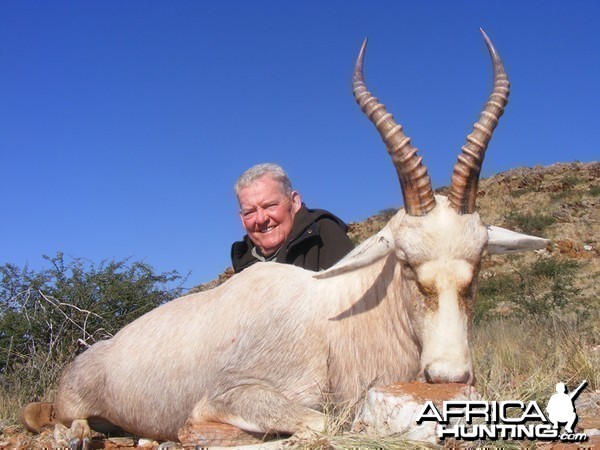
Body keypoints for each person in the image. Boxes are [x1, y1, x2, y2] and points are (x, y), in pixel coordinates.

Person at [231, 163, 354, 273]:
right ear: (242, 219)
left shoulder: (322, 233)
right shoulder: (242, 260)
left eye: (270, 206)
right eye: (249, 212)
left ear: (294, 202)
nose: (261, 219)